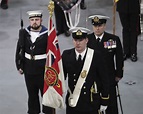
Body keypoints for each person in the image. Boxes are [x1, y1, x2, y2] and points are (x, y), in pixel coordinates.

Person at [62, 27, 109, 114]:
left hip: (90, 102)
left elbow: (104, 79)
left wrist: (104, 100)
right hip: (73, 101)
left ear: (86, 40)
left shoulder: (96, 56)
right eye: (75, 40)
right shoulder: (66, 55)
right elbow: (61, 76)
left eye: (80, 40)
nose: (78, 43)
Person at [15, 10, 54, 114]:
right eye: (32, 20)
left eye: (37, 19)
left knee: (46, 95)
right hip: (29, 69)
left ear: (41, 20)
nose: (34, 22)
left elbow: (52, 51)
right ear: (29, 21)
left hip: (43, 69)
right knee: (32, 95)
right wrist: (19, 65)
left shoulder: (47, 34)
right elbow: (19, 49)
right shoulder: (24, 33)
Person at [87, 15, 124, 114]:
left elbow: (119, 58)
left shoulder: (112, 39)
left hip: (109, 77)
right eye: (95, 26)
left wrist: (119, 74)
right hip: (93, 77)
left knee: (111, 104)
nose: (97, 28)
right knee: (93, 103)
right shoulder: (87, 39)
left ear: (104, 26)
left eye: (100, 25)